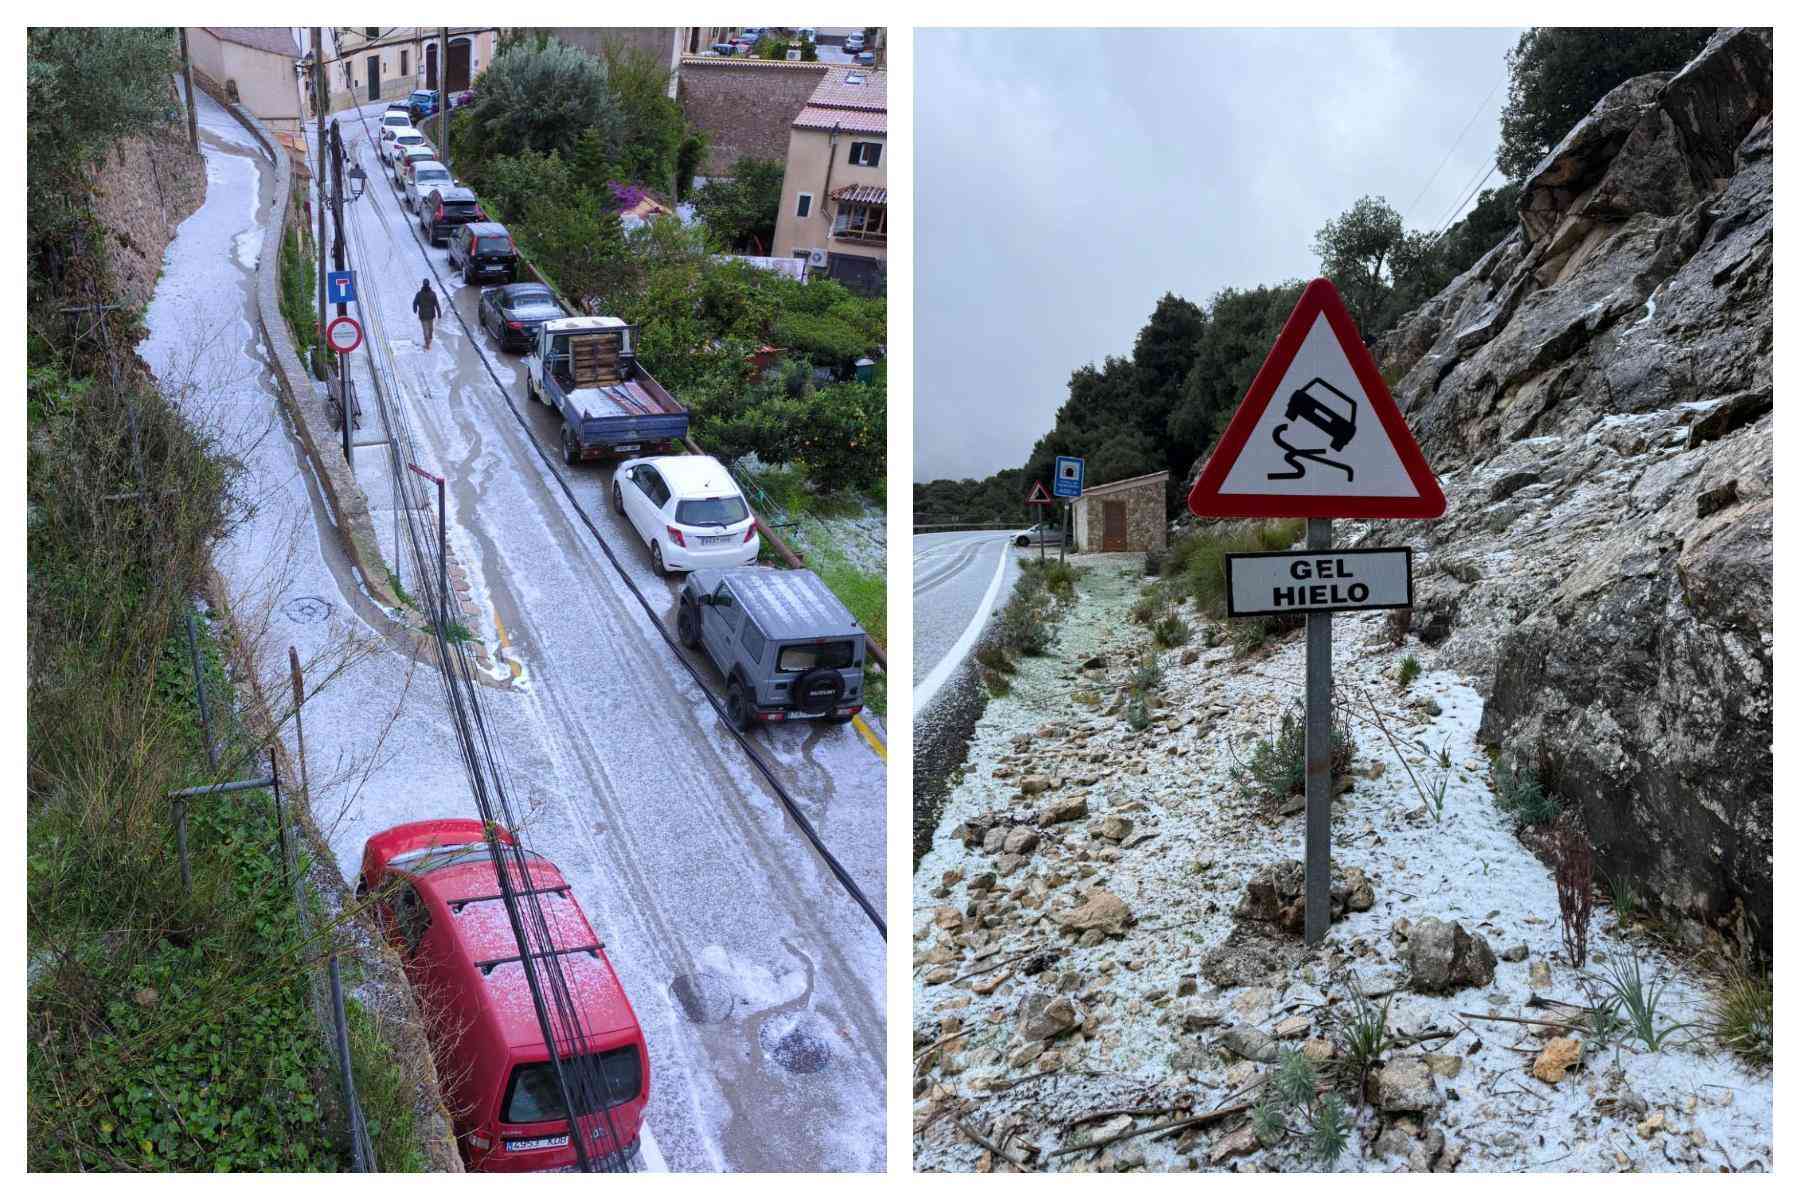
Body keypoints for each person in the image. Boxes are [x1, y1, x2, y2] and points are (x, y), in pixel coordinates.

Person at [412, 278, 441, 349]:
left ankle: (427, 343)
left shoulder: (419, 294)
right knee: (430, 328)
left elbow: (415, 303)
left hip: (423, 315)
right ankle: (429, 339)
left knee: (425, 330)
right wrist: (439, 313)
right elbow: (436, 304)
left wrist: (415, 309)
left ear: (423, 284)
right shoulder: (433, 294)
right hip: (431, 315)